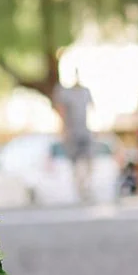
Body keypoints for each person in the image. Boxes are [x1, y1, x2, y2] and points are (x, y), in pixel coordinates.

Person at [54, 71, 95, 201]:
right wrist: (63, 130)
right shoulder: (65, 93)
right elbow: (61, 111)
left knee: (89, 159)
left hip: (85, 131)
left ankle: (86, 185)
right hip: (72, 132)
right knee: (74, 161)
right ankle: (78, 188)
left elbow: (92, 110)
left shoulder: (86, 92)